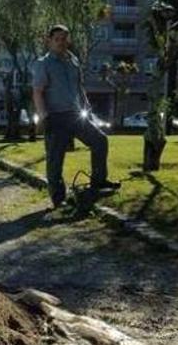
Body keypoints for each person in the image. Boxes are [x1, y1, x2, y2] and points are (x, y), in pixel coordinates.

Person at [31, 24, 120, 208]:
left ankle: (98, 181)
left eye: (64, 39)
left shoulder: (73, 61)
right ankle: (58, 199)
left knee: (100, 141)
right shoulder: (43, 64)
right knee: (55, 159)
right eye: (57, 39)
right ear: (49, 41)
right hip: (56, 117)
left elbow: (79, 87)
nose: (61, 42)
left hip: (76, 115)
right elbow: (38, 92)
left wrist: (86, 107)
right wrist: (43, 116)